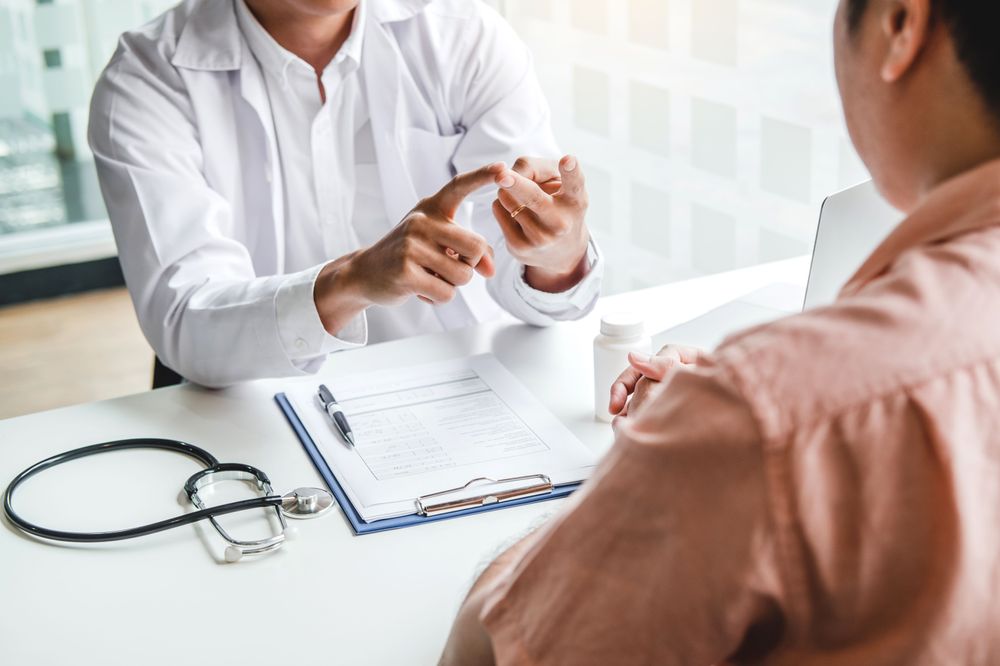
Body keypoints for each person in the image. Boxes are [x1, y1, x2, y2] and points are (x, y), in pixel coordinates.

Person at [441, 0, 1000, 663]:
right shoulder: (787, 405)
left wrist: (683, 454)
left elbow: (496, 648)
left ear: (902, 25)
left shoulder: (769, 411)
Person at [88, 0, 601, 388]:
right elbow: (185, 319)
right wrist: (351, 281)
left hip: (460, 391)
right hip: (256, 405)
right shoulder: (147, 80)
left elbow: (529, 289)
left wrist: (554, 254)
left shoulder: (463, 34)